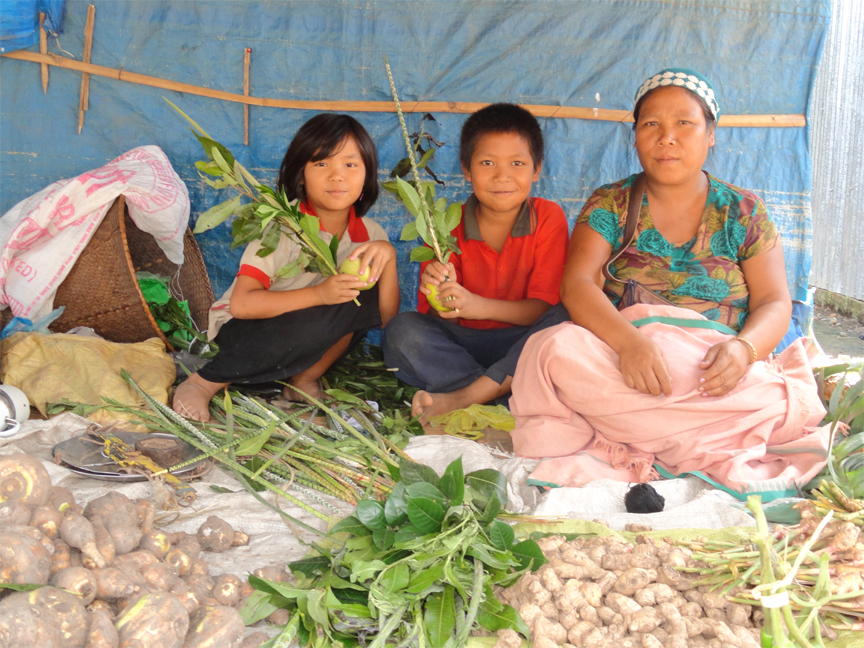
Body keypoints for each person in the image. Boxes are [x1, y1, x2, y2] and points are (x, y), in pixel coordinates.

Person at [508, 69, 830, 494]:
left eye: (684, 123)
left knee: (770, 393)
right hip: (625, 366)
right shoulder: (611, 203)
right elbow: (578, 285)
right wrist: (630, 344)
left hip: (712, 374)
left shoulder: (744, 211)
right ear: (635, 137)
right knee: (551, 349)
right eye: (651, 124)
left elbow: (774, 302)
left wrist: (743, 349)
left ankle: (641, 431)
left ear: (710, 134)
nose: (667, 138)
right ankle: (695, 437)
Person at [173, 114, 399, 422]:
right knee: (329, 306)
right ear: (300, 175)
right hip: (246, 338)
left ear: (367, 177)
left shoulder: (371, 235)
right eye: (322, 163)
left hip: (303, 346)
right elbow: (242, 305)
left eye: (350, 164)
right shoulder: (283, 227)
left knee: (359, 297)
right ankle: (204, 382)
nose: (337, 176)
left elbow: (383, 317)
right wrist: (320, 295)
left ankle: (303, 380)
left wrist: (389, 255)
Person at [383, 103, 570, 423]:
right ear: (466, 169)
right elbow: (441, 320)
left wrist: (476, 306)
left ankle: (466, 397)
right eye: (487, 162)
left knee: (566, 318)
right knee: (402, 331)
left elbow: (543, 308)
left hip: (522, 342)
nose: (502, 176)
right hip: (465, 347)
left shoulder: (547, 217)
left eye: (517, 163)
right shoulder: (443, 225)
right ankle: (500, 395)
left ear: (537, 169)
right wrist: (445, 299)